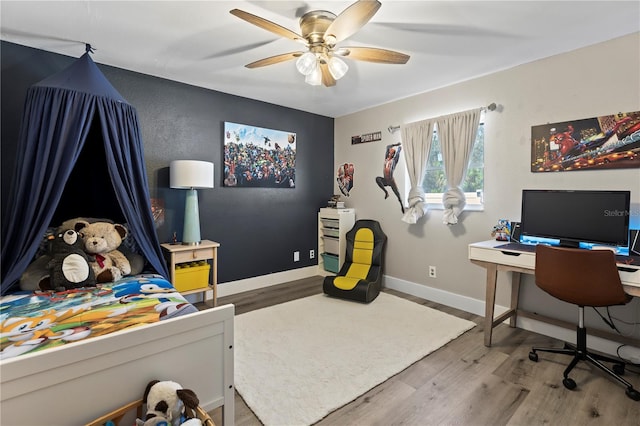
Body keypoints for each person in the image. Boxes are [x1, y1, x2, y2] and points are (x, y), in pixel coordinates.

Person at [375, 142, 404, 213]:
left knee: (397, 193)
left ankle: (401, 205)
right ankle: (386, 192)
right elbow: (388, 146)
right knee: (377, 179)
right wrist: (396, 145)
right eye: (390, 152)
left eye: (392, 153)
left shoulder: (394, 161)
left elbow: (398, 154)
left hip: (391, 180)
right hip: (385, 179)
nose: (390, 154)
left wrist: (399, 149)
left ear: (393, 154)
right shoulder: (386, 159)